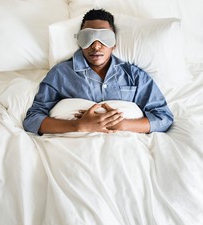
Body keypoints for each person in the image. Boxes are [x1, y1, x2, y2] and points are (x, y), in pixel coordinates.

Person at [23, 9, 174, 135]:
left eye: (104, 38)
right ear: (79, 41)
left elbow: (163, 118)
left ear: (114, 43)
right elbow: (32, 119)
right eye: (88, 37)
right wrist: (79, 125)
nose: (96, 46)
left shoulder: (134, 75)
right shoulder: (60, 74)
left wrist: (121, 125)